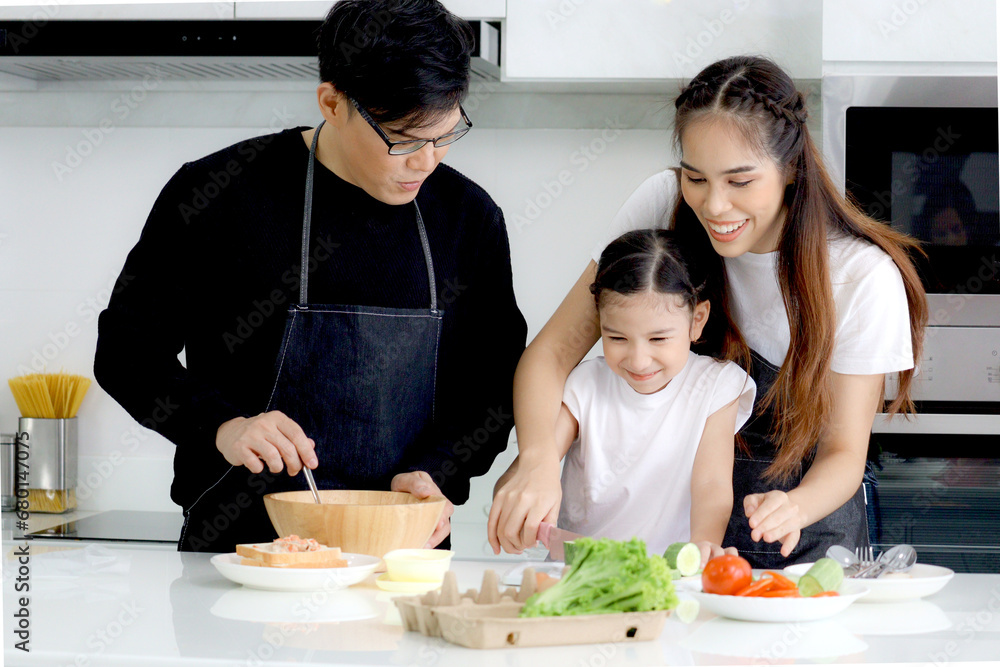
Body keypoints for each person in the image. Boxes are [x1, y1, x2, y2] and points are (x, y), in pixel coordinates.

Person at [94, 0, 527, 553]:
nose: (427, 162)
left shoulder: (467, 218)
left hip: (399, 558)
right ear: (332, 101)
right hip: (238, 557)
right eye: (404, 139)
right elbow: (126, 353)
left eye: (445, 135)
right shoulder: (218, 194)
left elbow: (495, 382)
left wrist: (441, 470)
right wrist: (224, 427)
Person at [489, 55, 927, 568]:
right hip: (677, 552)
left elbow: (844, 455)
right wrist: (538, 459)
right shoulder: (664, 203)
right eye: (696, 178)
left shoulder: (859, 277)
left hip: (802, 548)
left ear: (789, 169)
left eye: (739, 182)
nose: (714, 206)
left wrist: (793, 506)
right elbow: (552, 353)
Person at [494, 230, 756, 564]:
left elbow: (712, 485)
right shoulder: (585, 384)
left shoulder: (716, 386)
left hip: (666, 576)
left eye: (658, 339)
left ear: (697, 320)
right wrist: (515, 505)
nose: (638, 360)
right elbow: (529, 469)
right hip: (577, 572)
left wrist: (703, 546)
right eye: (617, 337)